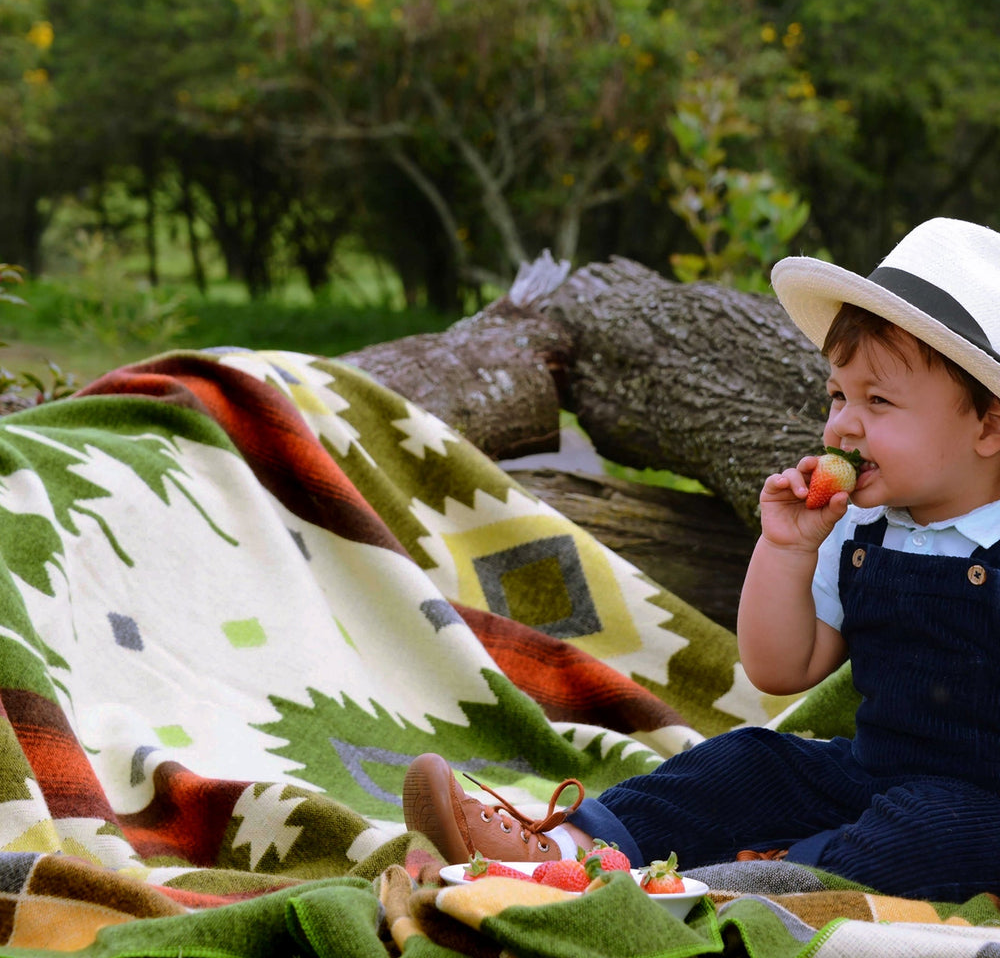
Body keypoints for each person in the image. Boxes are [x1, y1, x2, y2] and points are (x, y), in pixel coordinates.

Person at [402, 217, 1000, 901]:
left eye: (879, 400)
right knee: (751, 760)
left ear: (989, 426)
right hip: (871, 770)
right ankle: (574, 848)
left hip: (982, 802)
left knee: (926, 834)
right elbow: (780, 669)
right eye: (838, 395)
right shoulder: (861, 529)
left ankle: (770, 882)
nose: (843, 424)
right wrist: (786, 547)